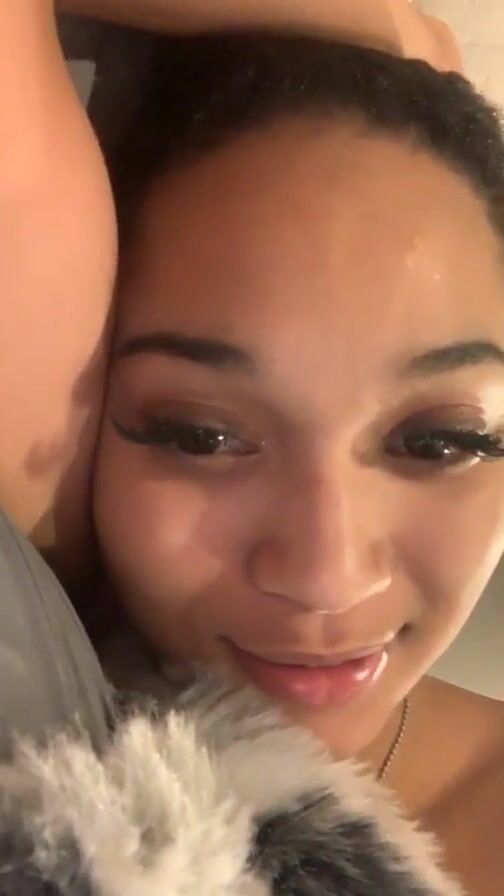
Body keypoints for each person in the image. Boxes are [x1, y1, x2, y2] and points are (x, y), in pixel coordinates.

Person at [1, 3, 501, 895]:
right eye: (204, 435)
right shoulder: (41, 544)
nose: (326, 577)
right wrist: (398, 32)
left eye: (440, 441)